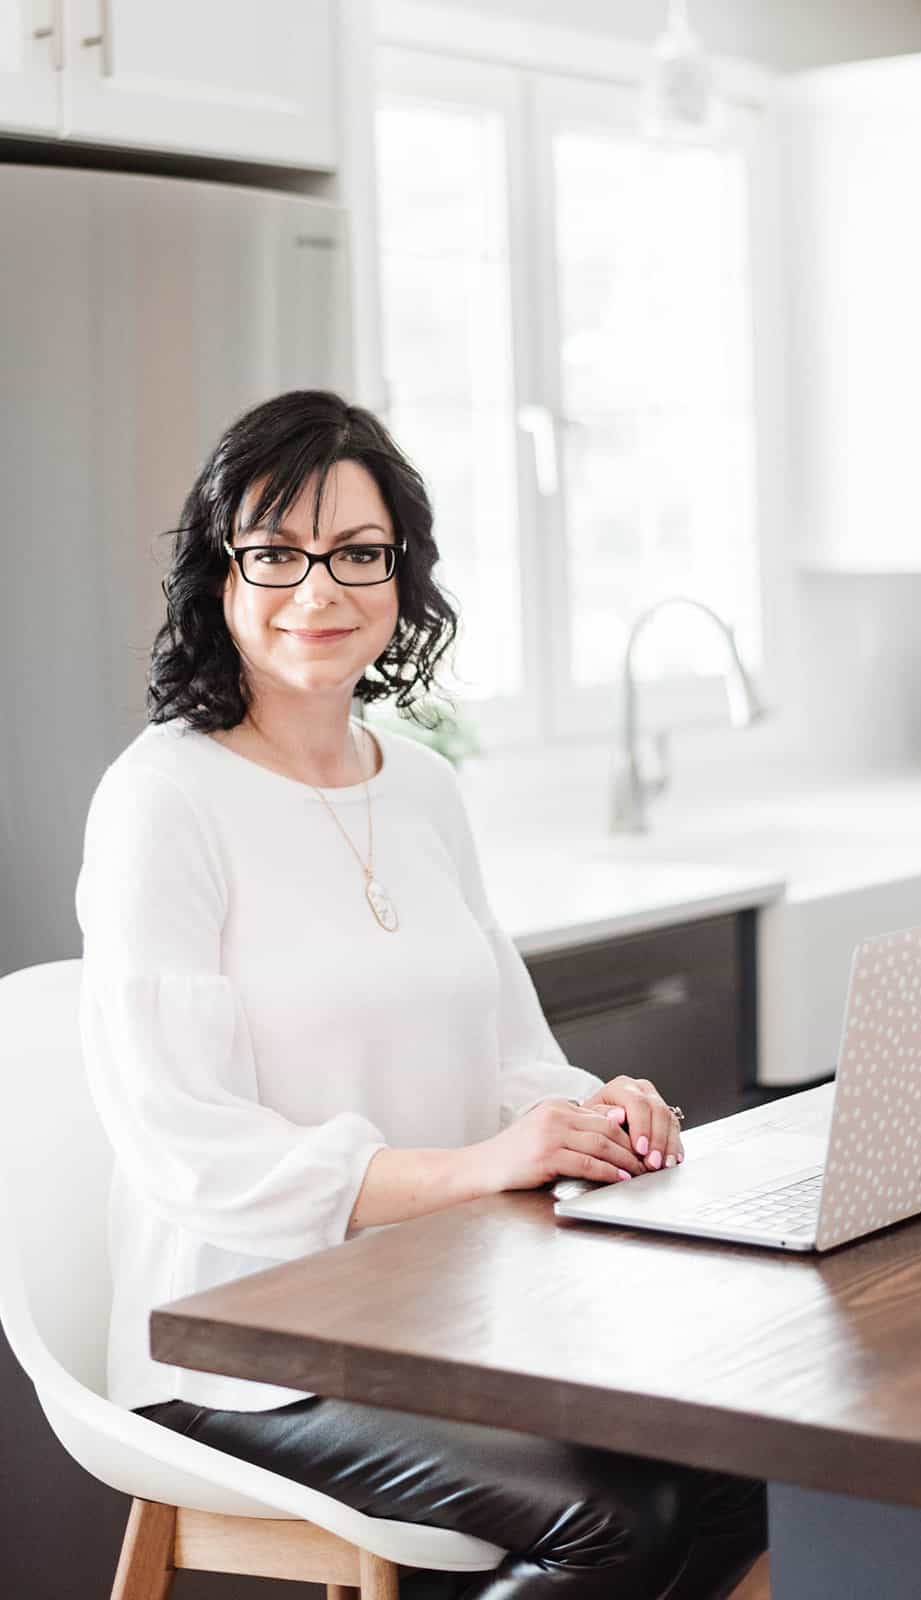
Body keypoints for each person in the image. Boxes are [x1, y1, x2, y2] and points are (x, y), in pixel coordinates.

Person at [76, 390, 767, 1599]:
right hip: (239, 1345)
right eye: (276, 552)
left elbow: (505, 1053)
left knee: (739, 1470)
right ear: (218, 573)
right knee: (608, 1518)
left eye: (358, 553)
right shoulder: (162, 801)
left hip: (435, 1312)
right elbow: (185, 1143)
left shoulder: (425, 784)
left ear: (402, 575)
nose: (321, 590)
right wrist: (472, 1168)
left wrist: (597, 1105)